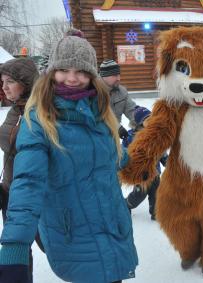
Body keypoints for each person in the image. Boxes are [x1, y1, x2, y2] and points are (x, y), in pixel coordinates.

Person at [0, 31, 138, 283]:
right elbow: (27, 183)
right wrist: (15, 246)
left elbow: (108, 161)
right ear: (52, 71)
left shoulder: (100, 111)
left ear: (92, 75)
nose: (72, 78)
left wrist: (142, 155)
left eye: (81, 71)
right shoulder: (39, 120)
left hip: (113, 227)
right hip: (75, 234)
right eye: (64, 69)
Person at [0, 58, 43, 282]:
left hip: (33, 196)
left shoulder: (38, 111)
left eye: (10, 81)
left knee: (54, 247)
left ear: (25, 83)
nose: (4, 87)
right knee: (17, 253)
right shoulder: (15, 109)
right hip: (10, 192)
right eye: (2, 81)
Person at [123, 106, 167, 220]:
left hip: (155, 172)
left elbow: (160, 150)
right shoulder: (131, 137)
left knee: (156, 194)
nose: (151, 121)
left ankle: (155, 212)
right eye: (147, 119)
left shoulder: (155, 134)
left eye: (152, 118)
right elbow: (125, 153)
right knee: (139, 195)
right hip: (142, 174)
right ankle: (127, 204)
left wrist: (165, 159)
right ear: (140, 123)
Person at [99, 59, 137, 139]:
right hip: (97, 137)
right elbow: (101, 116)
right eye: (114, 75)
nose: (118, 78)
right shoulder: (95, 92)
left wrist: (144, 118)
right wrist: (117, 128)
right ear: (104, 76)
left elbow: (131, 110)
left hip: (113, 138)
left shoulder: (121, 91)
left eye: (119, 75)